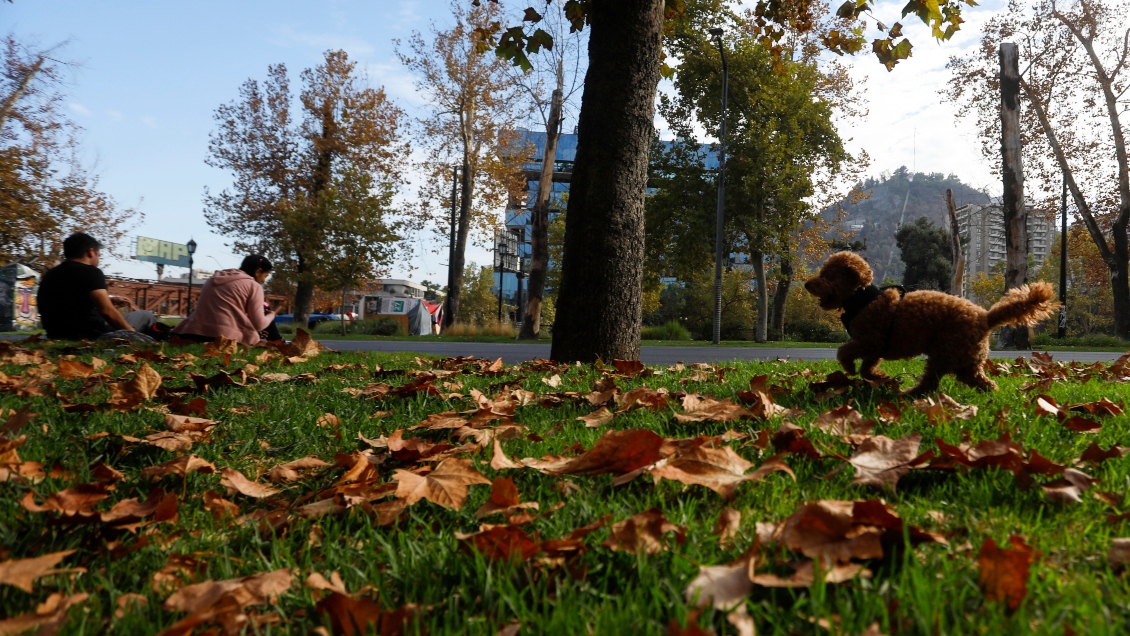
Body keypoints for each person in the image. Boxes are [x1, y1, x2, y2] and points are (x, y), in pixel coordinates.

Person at [37, 232, 160, 342]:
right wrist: (132, 333)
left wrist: (110, 300)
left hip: (56, 334)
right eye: (99, 255)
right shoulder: (91, 272)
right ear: (91, 252)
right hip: (93, 334)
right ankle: (148, 343)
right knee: (145, 315)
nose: (99, 258)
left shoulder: (50, 275)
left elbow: (70, 302)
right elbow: (107, 311)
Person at [172, 255, 281, 345]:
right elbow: (259, 324)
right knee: (266, 313)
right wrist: (271, 315)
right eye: (265, 276)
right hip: (226, 338)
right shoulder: (254, 286)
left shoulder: (212, 279)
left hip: (193, 333)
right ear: (258, 271)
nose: (263, 281)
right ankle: (279, 342)